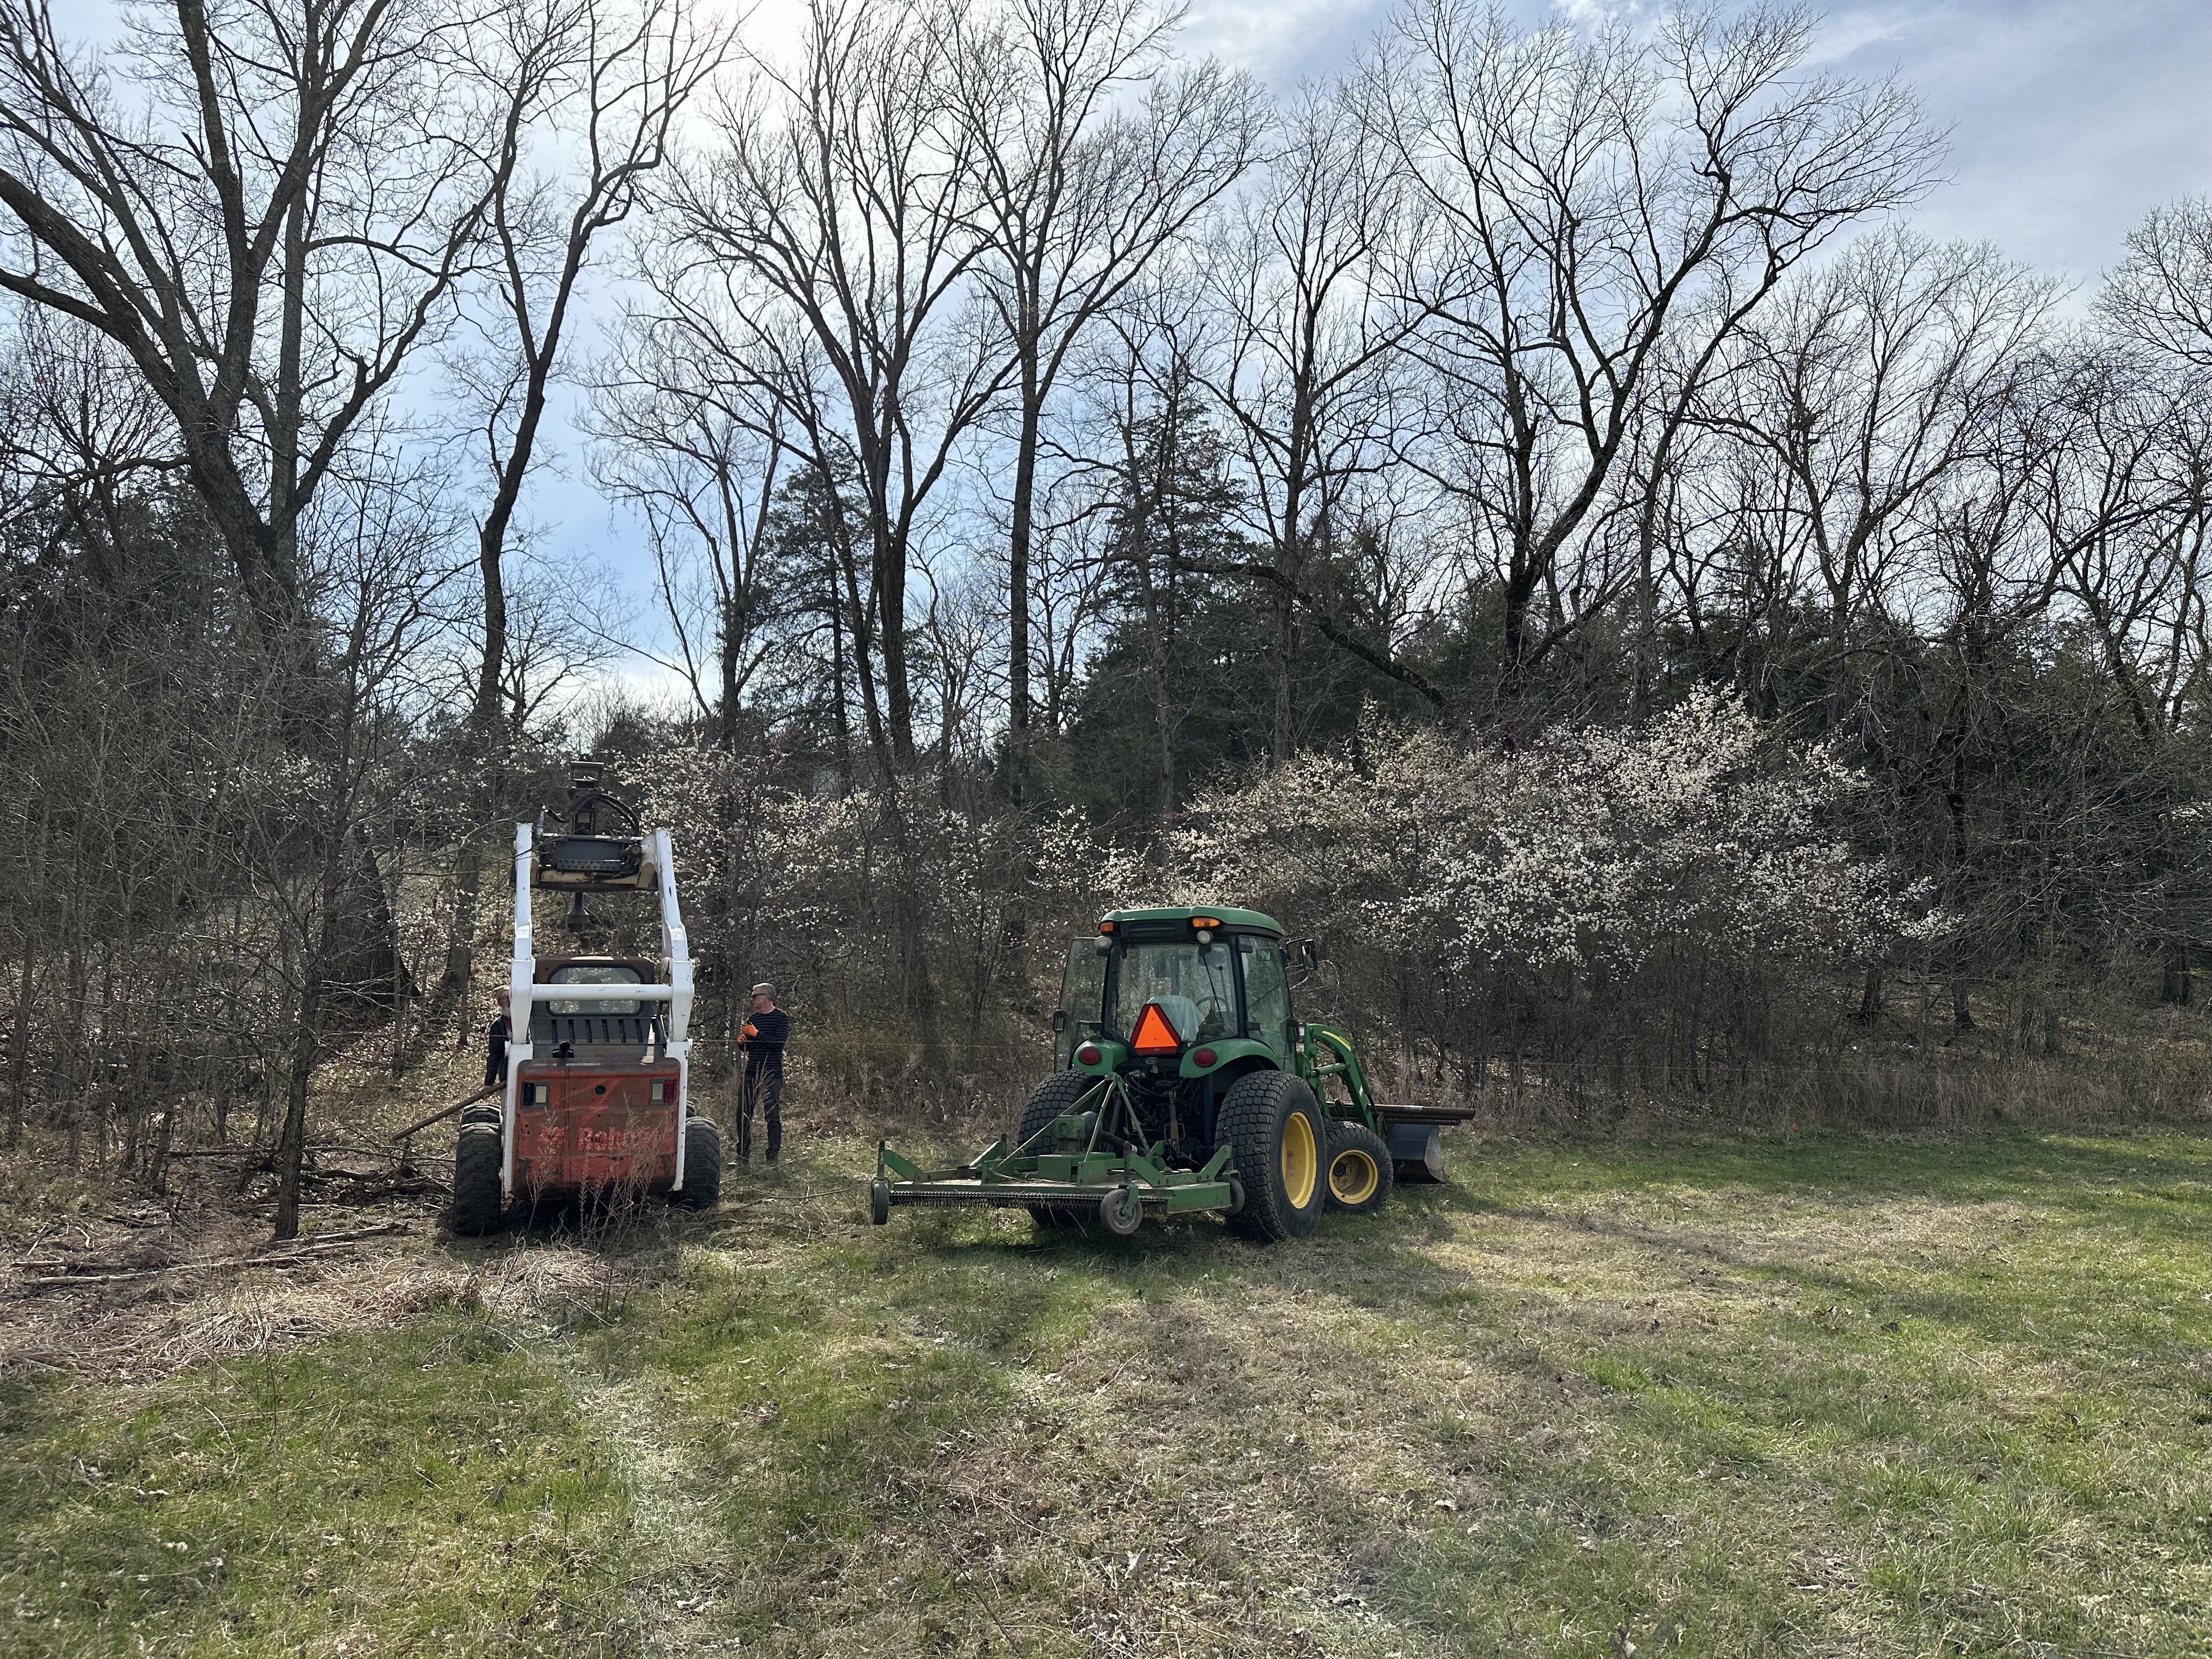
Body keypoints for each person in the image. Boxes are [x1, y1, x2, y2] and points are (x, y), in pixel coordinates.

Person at [736, 982, 788, 1165]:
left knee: (772, 1117)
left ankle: (772, 1157)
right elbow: (747, 1048)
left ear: (766, 997)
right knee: (743, 1113)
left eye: (755, 996)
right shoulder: (753, 1018)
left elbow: (778, 1045)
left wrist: (756, 1034)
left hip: (771, 1074)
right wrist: (742, 1041)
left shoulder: (781, 1018)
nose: (752, 999)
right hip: (752, 1072)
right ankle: (742, 1155)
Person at [484, 991, 512, 1089]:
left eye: (510, 996)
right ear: (500, 1003)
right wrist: (488, 1083)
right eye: (505, 998)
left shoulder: (532, 1019)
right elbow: (495, 1056)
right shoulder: (497, 1026)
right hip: (508, 1075)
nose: (509, 1000)